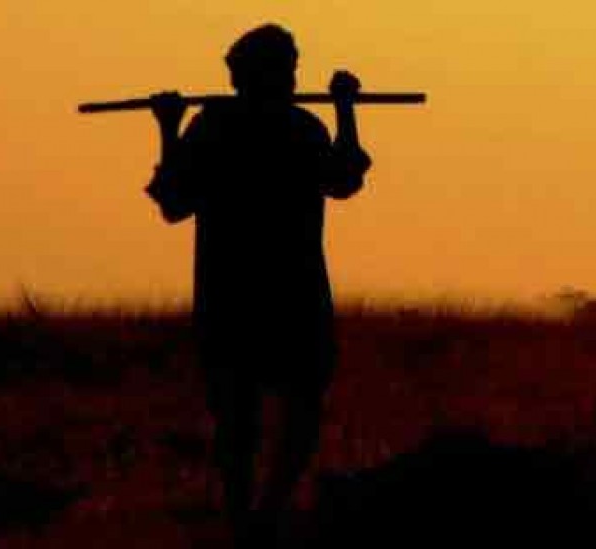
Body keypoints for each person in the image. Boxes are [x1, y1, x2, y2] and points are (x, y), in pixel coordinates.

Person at [144, 23, 371, 546]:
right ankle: (254, 517)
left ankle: (256, 516)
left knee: (261, 413)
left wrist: (168, 129)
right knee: (258, 413)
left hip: (247, 296)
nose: (291, 80)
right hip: (275, 295)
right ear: (249, 76)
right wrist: (345, 109)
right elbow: (345, 179)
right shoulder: (287, 128)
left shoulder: (221, 129)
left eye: (291, 70)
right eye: (283, 70)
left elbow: (173, 202)